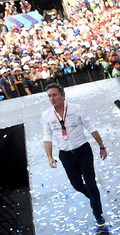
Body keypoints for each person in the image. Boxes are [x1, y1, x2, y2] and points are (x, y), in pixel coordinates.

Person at [41, 83, 108, 226]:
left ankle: (98, 213)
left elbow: (90, 127)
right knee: (77, 185)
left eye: (54, 95)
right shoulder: (46, 115)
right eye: (49, 96)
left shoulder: (76, 108)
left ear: (62, 95)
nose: (52, 98)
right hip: (65, 154)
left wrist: (101, 146)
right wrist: (49, 156)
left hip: (83, 150)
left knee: (91, 183)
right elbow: (47, 136)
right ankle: (93, 198)